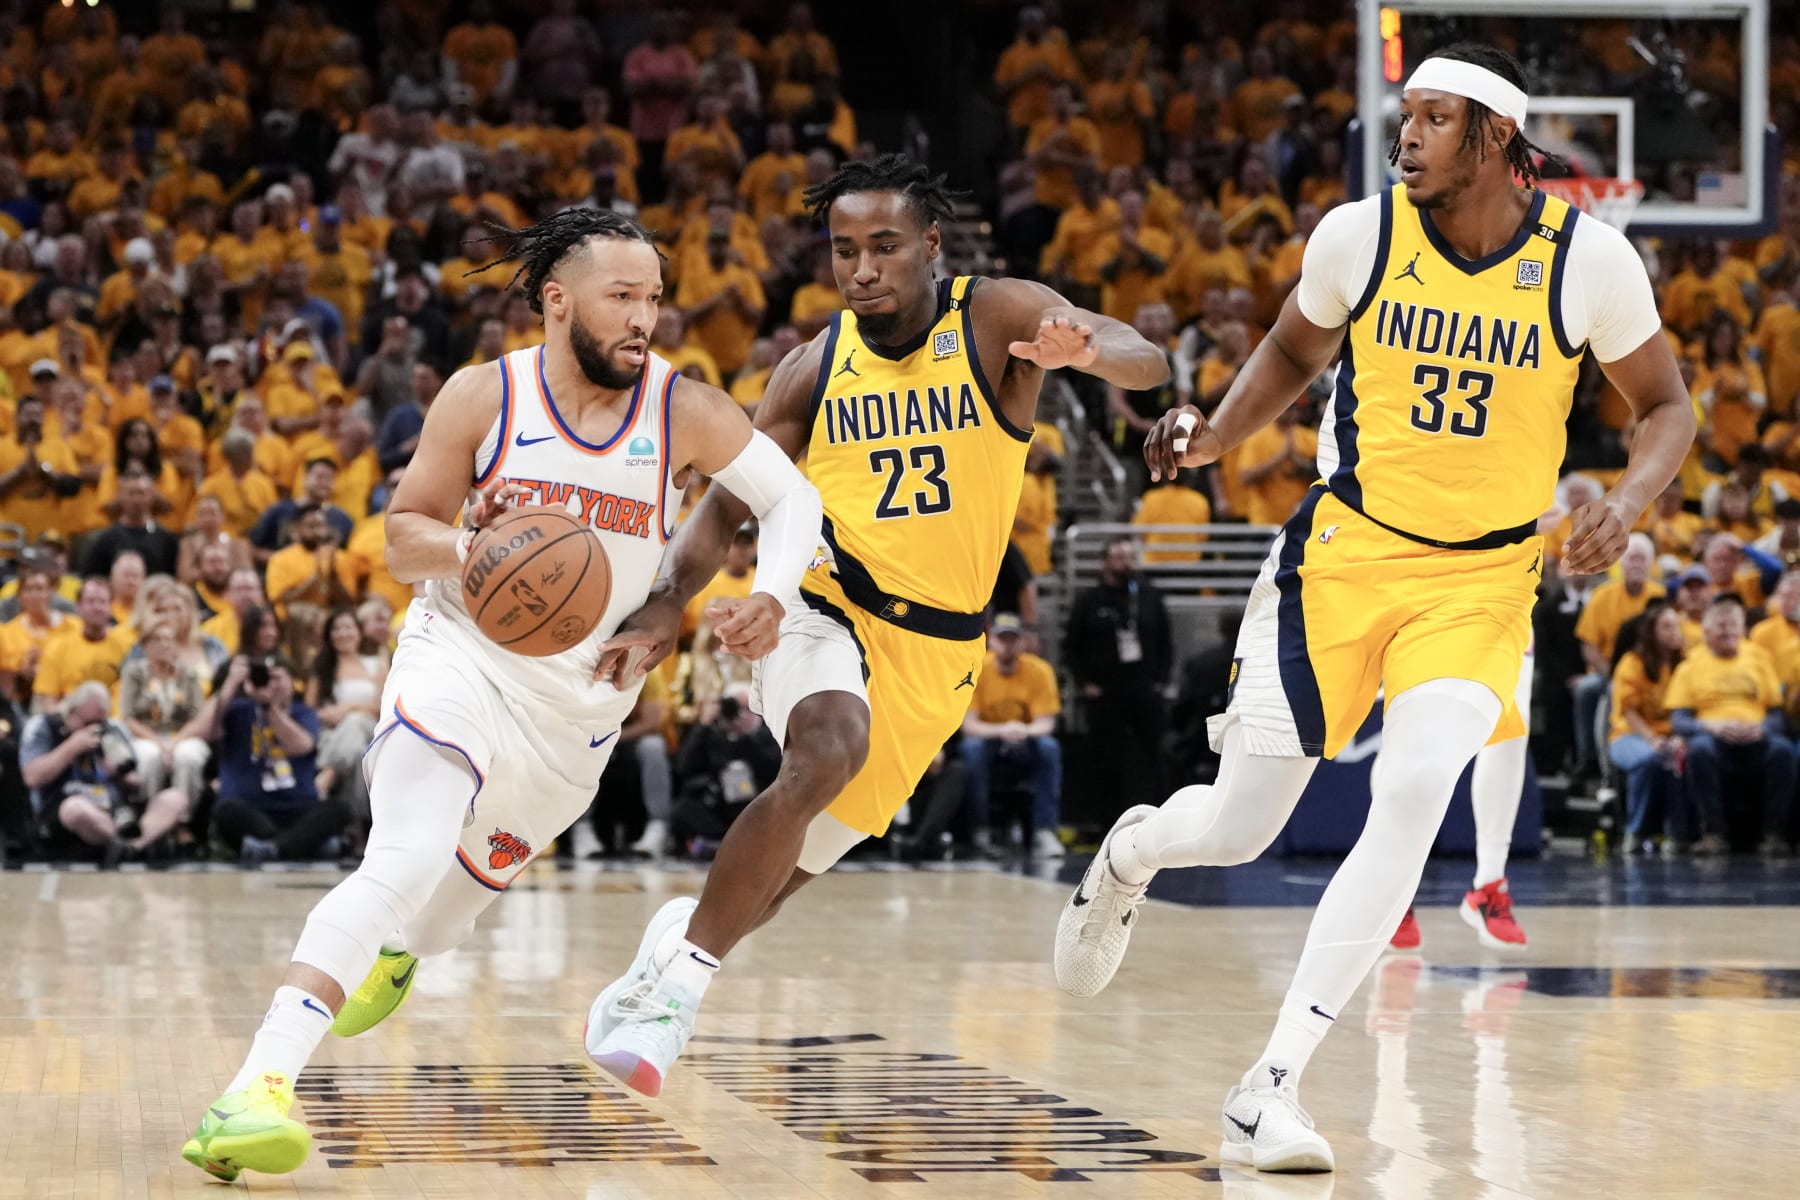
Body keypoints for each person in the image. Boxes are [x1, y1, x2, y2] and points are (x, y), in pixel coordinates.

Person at [1051, 44, 1693, 1174]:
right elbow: (1294, 348)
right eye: (1406, 117)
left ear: (1496, 137)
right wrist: (1214, 436)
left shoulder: (1588, 261)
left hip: (1484, 580)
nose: (1406, 136)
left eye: (1434, 120)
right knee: (1237, 828)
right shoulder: (1362, 234)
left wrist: (1629, 502)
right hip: (1340, 561)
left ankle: (1271, 1086)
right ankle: (1134, 853)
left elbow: (1665, 408)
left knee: (1411, 787)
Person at [181, 208, 821, 1182]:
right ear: (557, 300)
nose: (643, 317)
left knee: (437, 925)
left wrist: (758, 596)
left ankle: (397, 952)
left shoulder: (682, 408)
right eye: (621, 296)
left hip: (578, 720)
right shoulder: (487, 395)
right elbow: (402, 535)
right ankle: (254, 1091)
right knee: (402, 858)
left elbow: (791, 499)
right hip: (461, 661)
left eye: (652, 297)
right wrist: (478, 550)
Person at [586, 154, 1167, 1095]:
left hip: (942, 653)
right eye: (844, 249)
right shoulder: (812, 368)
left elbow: (1149, 356)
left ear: (931, 246)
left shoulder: (998, 319)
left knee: (778, 880)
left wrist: (1087, 351)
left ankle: (674, 945)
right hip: (825, 602)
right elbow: (733, 503)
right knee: (824, 749)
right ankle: (675, 1002)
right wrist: (666, 604)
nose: (862, 268)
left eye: (885, 247)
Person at [1666, 595, 1794, 855]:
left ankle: (1774, 834)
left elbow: (1777, 714)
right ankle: (1713, 833)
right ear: (1706, 631)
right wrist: (1711, 726)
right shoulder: (1690, 664)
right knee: (1700, 750)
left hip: (1756, 737)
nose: (1728, 631)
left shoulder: (1758, 657)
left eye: (1734, 625)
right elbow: (1679, 720)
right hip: (1714, 738)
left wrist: (1763, 729)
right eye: (1721, 626)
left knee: (1782, 750)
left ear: (1743, 628)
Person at [958, 613, 1064, 859]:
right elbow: (968, 726)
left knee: (1049, 748)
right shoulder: (977, 668)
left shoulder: (1039, 670)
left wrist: (1021, 730)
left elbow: (1046, 723)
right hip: (988, 739)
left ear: (1022, 642)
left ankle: (1044, 831)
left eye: (1012, 638)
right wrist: (1001, 730)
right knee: (970, 749)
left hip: (1025, 739)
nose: (1007, 644)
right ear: (991, 640)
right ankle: (979, 829)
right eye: (1001, 638)